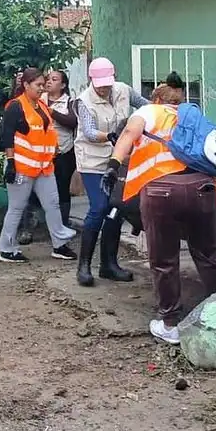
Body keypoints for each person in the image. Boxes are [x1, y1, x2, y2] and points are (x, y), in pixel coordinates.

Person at [101, 72, 216, 344]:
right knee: (208, 253)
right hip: (203, 188)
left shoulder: (149, 111)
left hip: (162, 191)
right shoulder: (195, 118)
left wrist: (114, 164)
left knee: (164, 259)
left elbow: (129, 132)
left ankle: (170, 323)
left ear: (157, 98)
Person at [74, 57, 148, 286]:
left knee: (117, 208)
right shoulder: (83, 101)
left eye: (107, 83)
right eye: (100, 84)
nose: (104, 88)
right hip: (93, 161)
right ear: (91, 80)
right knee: (99, 207)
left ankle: (109, 264)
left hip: (118, 159)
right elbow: (88, 131)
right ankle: (83, 266)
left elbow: (146, 106)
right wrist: (110, 136)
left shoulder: (124, 90)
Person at [0, 68, 77, 263]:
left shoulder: (41, 105)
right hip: (22, 168)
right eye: (38, 85)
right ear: (26, 85)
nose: (42, 88)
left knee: (53, 205)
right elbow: (6, 137)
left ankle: (60, 244)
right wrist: (11, 163)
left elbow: (47, 132)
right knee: (16, 208)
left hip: (44, 167)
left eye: (44, 84)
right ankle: (6, 249)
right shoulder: (16, 106)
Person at [44, 70, 77, 228]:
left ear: (63, 85)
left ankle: (63, 224)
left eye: (54, 79)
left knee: (62, 189)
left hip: (64, 152)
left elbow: (72, 121)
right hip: (41, 153)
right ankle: (33, 225)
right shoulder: (38, 99)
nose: (49, 82)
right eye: (48, 79)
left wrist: (52, 112)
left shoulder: (69, 102)